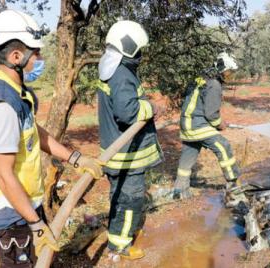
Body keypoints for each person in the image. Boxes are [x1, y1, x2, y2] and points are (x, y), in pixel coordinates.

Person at [0, 10, 103, 267]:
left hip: (23, 205)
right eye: (36, 53)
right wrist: (36, 224)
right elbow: (3, 176)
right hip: (10, 216)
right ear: (16, 56)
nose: (40, 59)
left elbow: (32, 131)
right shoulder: (1, 106)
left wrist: (76, 158)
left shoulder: (16, 92)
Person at [97, 20, 163, 260]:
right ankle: (120, 245)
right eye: (139, 50)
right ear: (129, 47)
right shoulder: (122, 74)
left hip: (116, 152)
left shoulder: (109, 68)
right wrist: (150, 106)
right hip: (127, 156)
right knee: (131, 199)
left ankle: (118, 235)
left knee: (118, 196)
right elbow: (127, 112)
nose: (141, 55)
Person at [173, 52, 246, 207]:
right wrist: (220, 124)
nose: (229, 76)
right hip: (197, 125)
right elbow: (211, 114)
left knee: (189, 154)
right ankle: (233, 185)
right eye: (228, 72)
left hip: (186, 124)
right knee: (223, 146)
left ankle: (180, 190)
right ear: (221, 68)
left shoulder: (202, 78)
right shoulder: (214, 84)